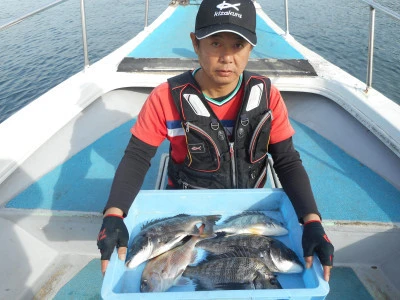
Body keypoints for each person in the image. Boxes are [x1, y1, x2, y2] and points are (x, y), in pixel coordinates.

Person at [97, 0, 334, 281]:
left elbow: (287, 160)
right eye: (215, 43)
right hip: (188, 210)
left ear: (250, 49)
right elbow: (137, 157)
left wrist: (312, 220)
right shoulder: (165, 97)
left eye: (238, 45)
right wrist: (114, 215)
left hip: (251, 207)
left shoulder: (268, 96)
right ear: (196, 44)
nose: (226, 57)